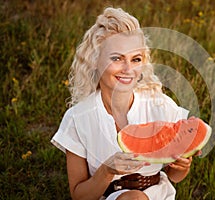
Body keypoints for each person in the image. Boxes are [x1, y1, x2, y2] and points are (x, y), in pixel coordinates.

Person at [51, 7, 200, 200]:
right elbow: (79, 196)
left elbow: (175, 177)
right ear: (94, 61)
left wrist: (182, 166)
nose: (128, 69)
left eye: (135, 59)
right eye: (117, 58)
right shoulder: (77, 119)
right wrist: (106, 171)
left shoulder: (160, 105)